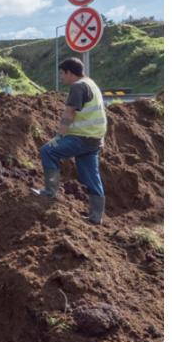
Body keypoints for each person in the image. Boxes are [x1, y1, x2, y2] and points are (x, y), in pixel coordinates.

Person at [33, 57, 108, 224]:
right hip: (95, 139)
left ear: (70, 73)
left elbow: (69, 113)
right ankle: (96, 216)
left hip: (82, 137)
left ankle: (49, 192)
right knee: (91, 175)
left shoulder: (77, 86)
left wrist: (59, 136)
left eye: (62, 73)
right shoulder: (91, 83)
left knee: (48, 151)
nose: (61, 77)